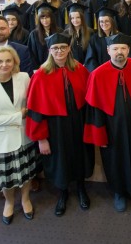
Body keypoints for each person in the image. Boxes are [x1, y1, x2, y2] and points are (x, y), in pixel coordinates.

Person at [26, 32, 94, 217]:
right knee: (60, 160)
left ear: (69, 48)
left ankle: (81, 189)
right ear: (49, 50)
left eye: (63, 47)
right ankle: (63, 193)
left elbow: (90, 100)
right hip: (55, 127)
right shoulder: (40, 75)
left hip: (78, 122)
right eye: (55, 48)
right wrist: (41, 139)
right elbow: (35, 110)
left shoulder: (80, 69)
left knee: (79, 156)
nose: (59, 51)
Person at [84, 34, 131, 212]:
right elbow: (95, 109)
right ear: (108, 51)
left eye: (123, 48)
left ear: (129, 50)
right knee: (114, 159)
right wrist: (100, 134)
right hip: (111, 128)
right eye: (115, 49)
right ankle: (118, 192)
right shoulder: (98, 74)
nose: (119, 52)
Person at [0, 46, 37, 225]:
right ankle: (9, 202)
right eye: (0, 61)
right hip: (1, 139)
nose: (5, 65)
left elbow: (31, 103)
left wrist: (21, 114)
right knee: (6, 178)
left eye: (8, 61)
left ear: (15, 62)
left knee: (26, 173)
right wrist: (19, 115)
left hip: (23, 135)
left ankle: (25, 199)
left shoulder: (24, 78)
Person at [27, 3, 64, 67]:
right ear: (39, 19)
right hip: (41, 67)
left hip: (57, 66)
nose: (45, 20)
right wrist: (36, 68)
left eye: (47, 17)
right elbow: (31, 54)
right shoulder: (34, 34)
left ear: (51, 18)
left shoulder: (60, 31)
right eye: (42, 18)